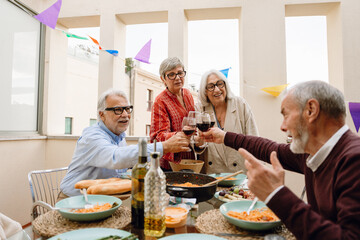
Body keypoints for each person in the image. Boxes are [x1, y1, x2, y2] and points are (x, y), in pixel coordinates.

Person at [201, 80, 360, 239]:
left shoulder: (354, 160)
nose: (283, 127)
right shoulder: (313, 154)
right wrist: (225, 137)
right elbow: (270, 148)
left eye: (286, 114)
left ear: (311, 110)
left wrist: (276, 194)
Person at [59, 89, 190, 198]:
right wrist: (164, 146)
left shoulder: (119, 136)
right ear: (102, 115)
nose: (126, 115)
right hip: (74, 200)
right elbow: (117, 158)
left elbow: (125, 165)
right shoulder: (92, 137)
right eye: (118, 110)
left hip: (102, 199)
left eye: (127, 109)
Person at [196, 69, 258, 173]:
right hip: (212, 176)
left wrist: (257, 171)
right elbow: (197, 146)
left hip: (240, 175)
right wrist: (199, 142)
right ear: (205, 92)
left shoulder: (240, 104)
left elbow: (254, 139)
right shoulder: (200, 109)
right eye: (211, 86)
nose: (217, 90)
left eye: (220, 84)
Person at [150, 57, 196, 170]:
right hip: (169, 165)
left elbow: (193, 121)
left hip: (189, 159)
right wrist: (180, 135)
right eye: (171, 75)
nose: (177, 78)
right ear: (163, 79)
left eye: (180, 73)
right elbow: (157, 137)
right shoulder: (160, 101)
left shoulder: (188, 94)